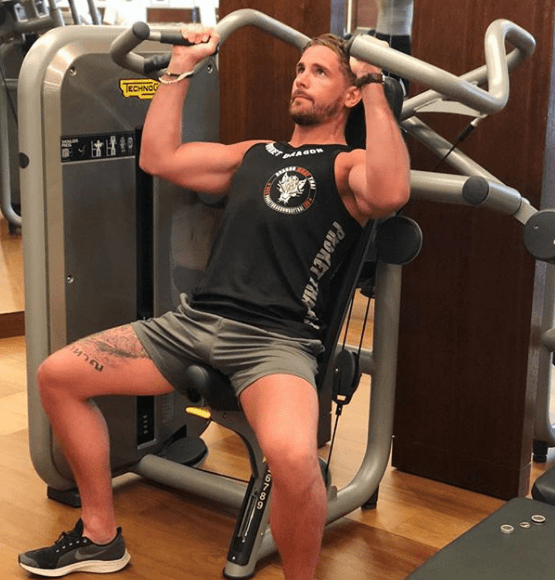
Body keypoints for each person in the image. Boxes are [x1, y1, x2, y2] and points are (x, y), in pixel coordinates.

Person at [18, 23, 410, 580]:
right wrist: (181, 67)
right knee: (57, 376)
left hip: (274, 342)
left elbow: (392, 193)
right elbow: (159, 157)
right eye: (300, 68)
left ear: (348, 93)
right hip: (192, 323)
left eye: (319, 71)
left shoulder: (348, 167)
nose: (301, 78)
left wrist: (375, 86)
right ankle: (100, 535)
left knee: (295, 459)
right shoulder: (253, 154)